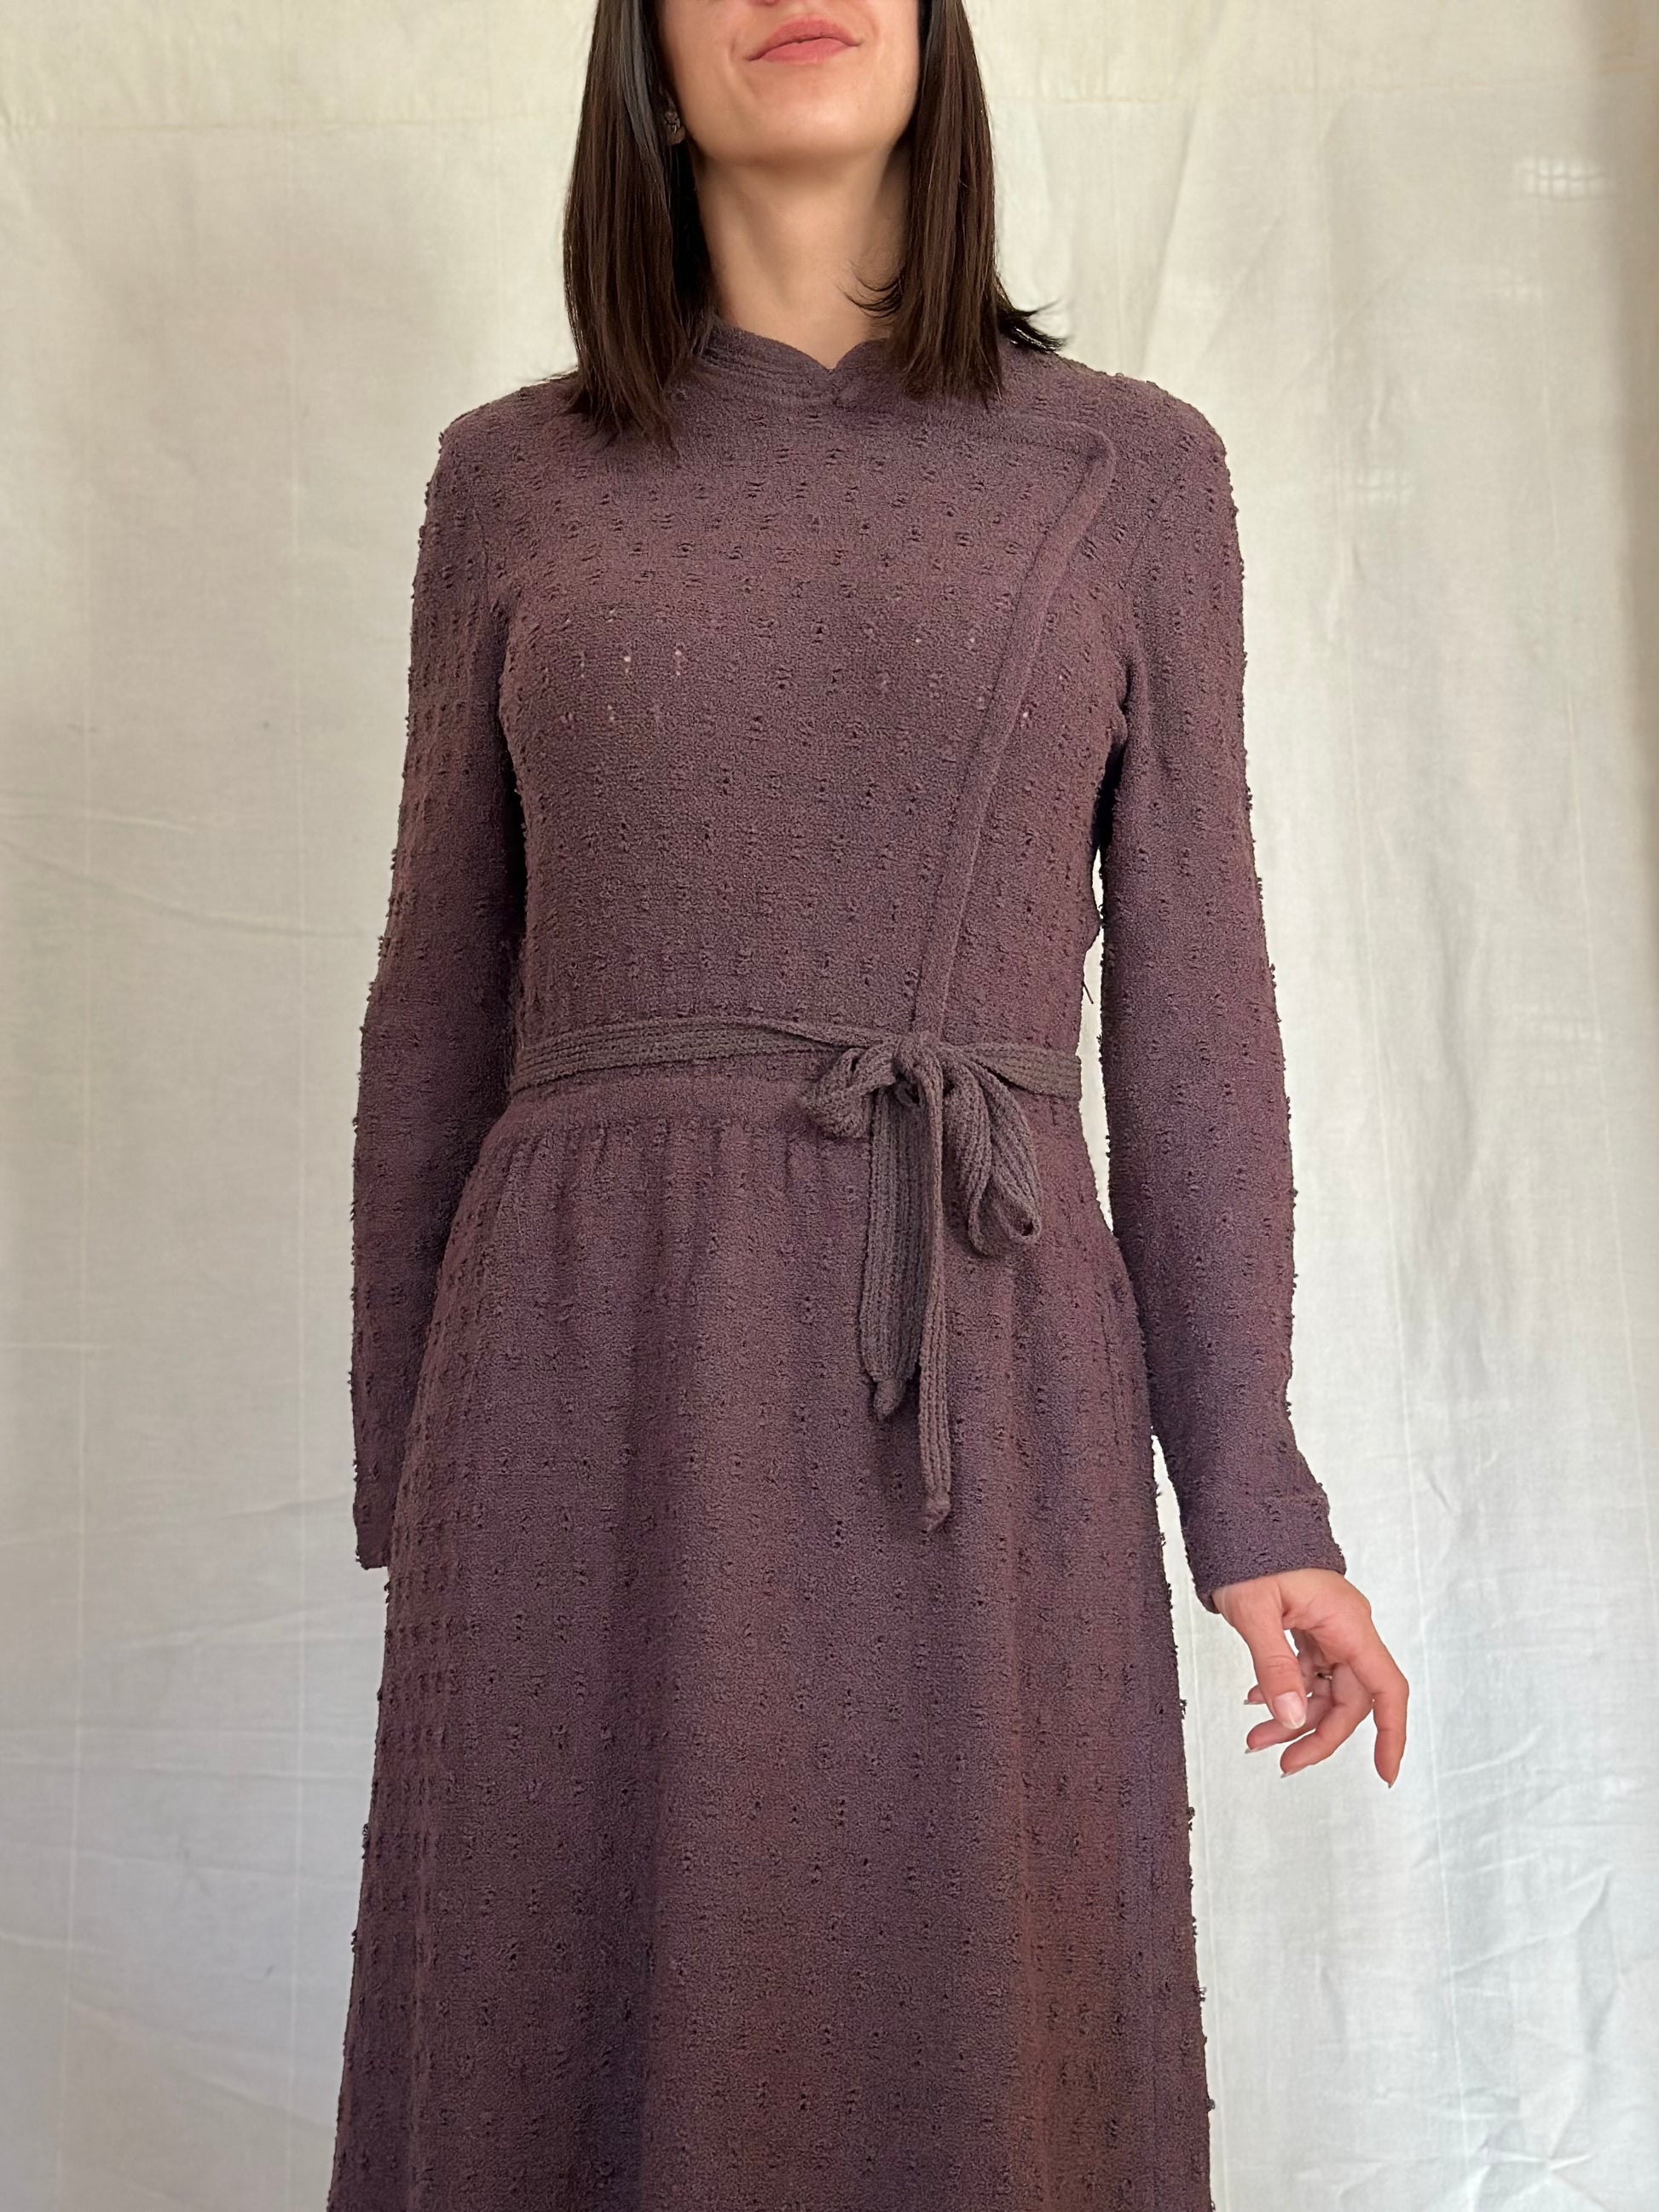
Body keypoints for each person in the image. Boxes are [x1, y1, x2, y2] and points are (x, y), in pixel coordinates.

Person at [327, 1, 1409, 2205]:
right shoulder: (511, 478)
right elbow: (433, 997)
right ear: (642, 53)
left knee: (969, 2038)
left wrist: (1255, 1497)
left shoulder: (1127, 470)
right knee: (561, 2034)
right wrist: (414, 1472)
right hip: (586, 1383)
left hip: (979, 1375)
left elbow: (1197, 1006)